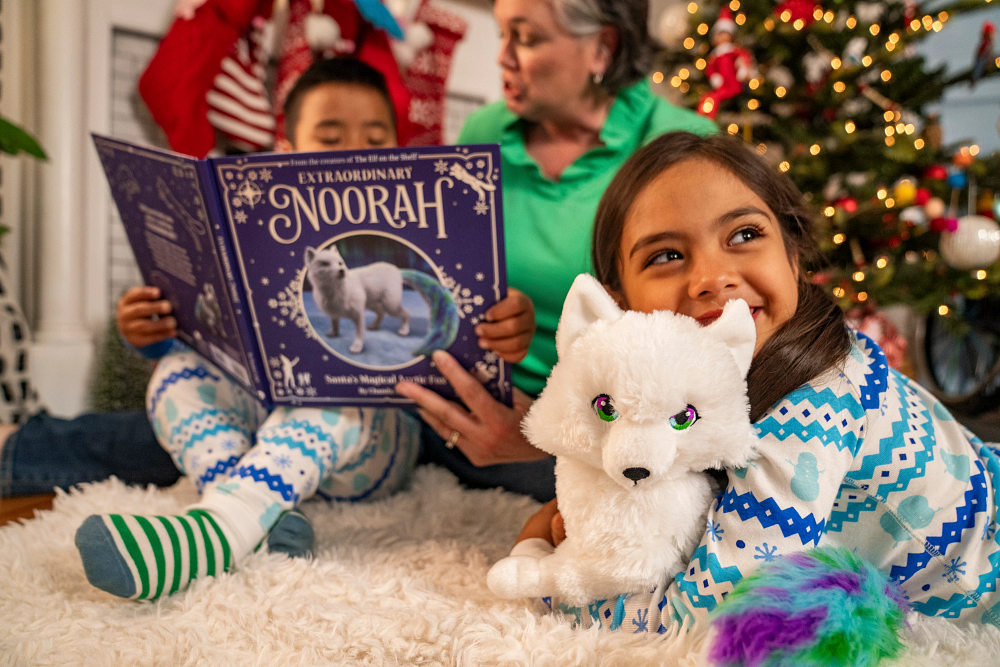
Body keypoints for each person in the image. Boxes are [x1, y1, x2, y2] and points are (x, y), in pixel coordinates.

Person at [71, 56, 533, 601]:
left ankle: (219, 527)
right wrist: (146, 327)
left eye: (375, 140)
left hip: (372, 437)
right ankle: (256, 521)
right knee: (175, 374)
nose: (356, 154)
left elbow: (463, 320)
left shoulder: (424, 220)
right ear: (286, 155)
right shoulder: (261, 231)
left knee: (336, 396)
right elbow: (207, 333)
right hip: (267, 425)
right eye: (331, 137)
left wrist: (508, 325)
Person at [513, 131, 1000, 630]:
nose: (713, 276)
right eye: (665, 256)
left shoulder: (809, 411)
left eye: (744, 235)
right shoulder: (706, 386)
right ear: (619, 305)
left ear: (793, 252)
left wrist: (542, 568)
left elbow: (708, 620)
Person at [396, 0, 716, 497]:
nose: (501, 57)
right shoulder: (483, 133)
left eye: (525, 38)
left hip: (606, 440)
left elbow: (698, 359)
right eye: (503, 34)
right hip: (468, 408)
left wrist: (544, 442)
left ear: (601, 49)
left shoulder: (680, 146)